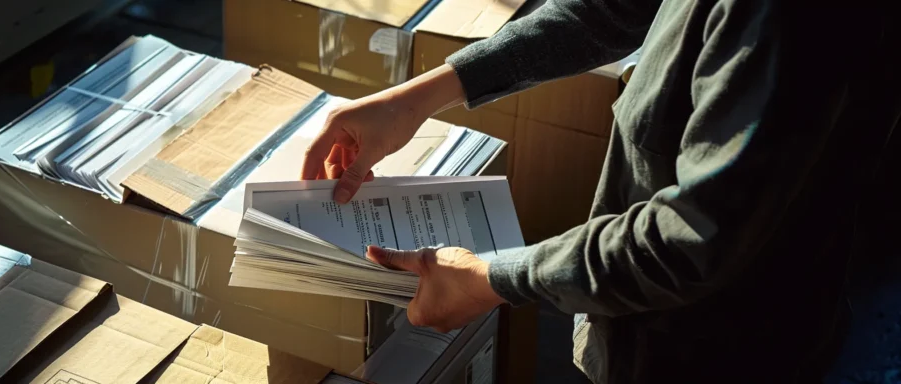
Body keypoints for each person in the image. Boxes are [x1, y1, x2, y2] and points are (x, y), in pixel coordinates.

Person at [301, 0, 898, 382]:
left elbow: (691, 237)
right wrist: (417, 97)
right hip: (645, 321)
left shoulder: (793, 22)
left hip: (718, 349)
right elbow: (609, 12)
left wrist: (493, 279)